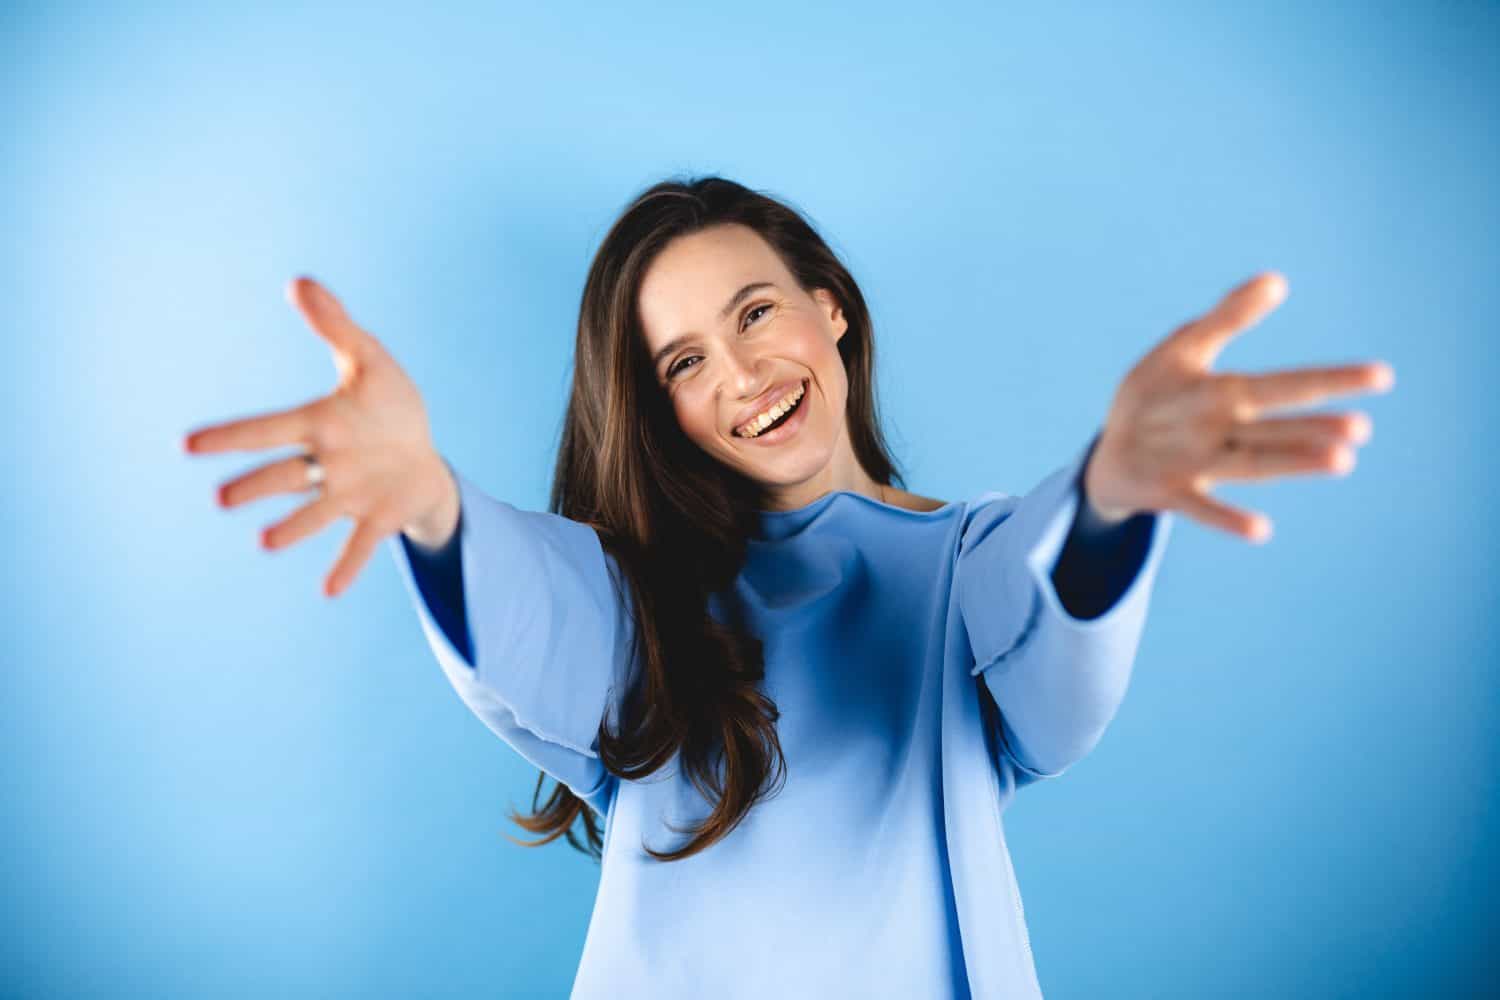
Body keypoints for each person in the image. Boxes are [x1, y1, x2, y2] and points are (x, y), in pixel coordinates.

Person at [182, 176, 1393, 998]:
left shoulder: (971, 558)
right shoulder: (637, 604)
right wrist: (431, 506)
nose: (744, 372)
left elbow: (1052, 660)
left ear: (834, 311)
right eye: (684, 364)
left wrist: (1112, 497)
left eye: (756, 310)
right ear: (664, 417)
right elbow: (537, 615)